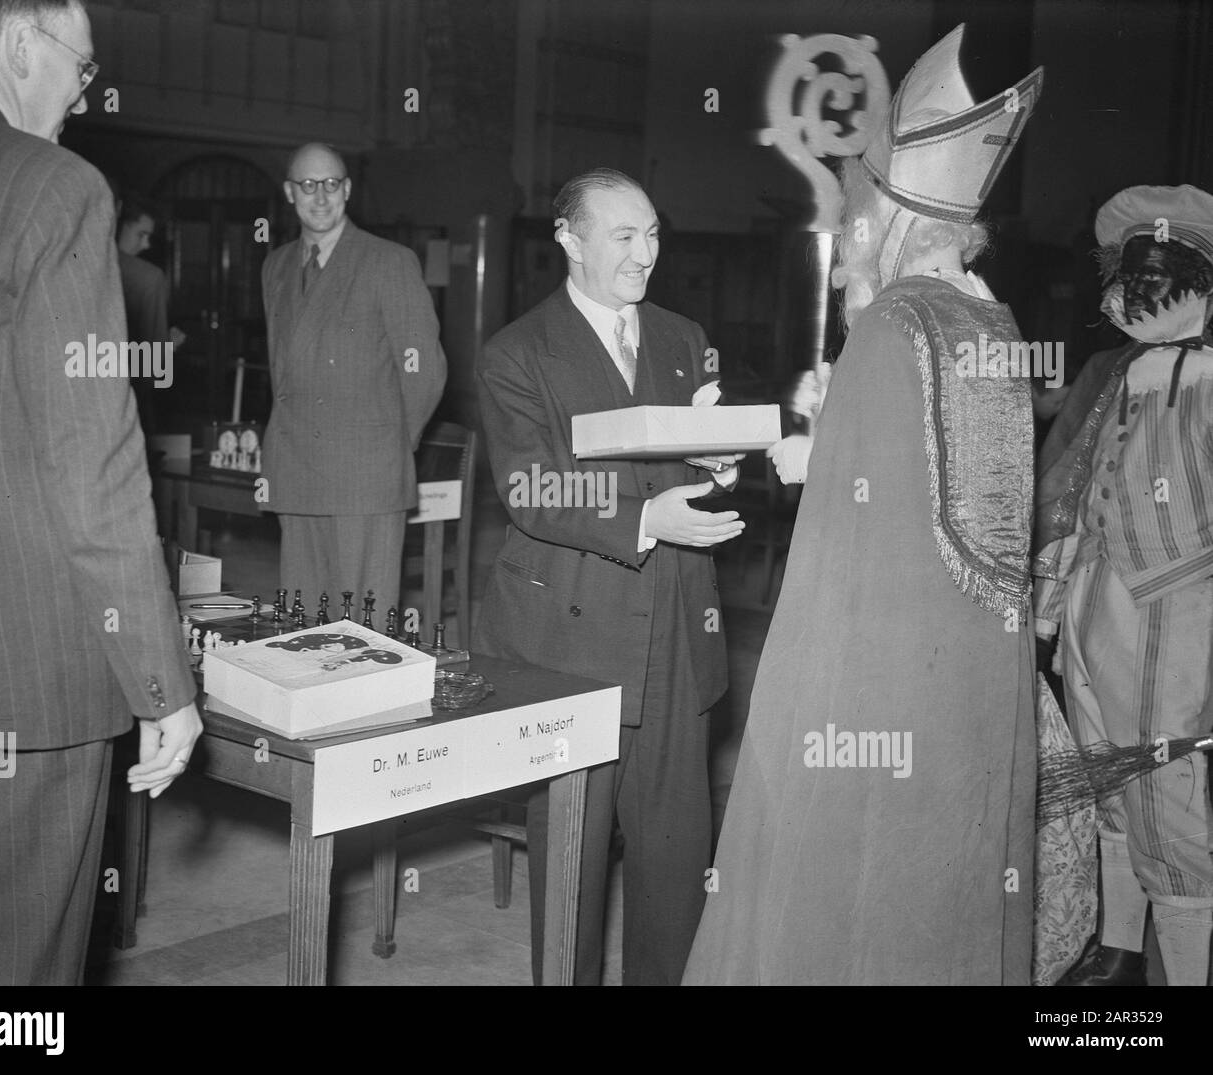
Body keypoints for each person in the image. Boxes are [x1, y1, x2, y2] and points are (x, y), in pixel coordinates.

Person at [683, 25, 1044, 984]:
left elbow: (847, 547)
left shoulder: (893, 324)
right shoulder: (989, 317)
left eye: (858, 223)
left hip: (880, 672)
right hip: (972, 671)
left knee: (847, 891)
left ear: (891, 222)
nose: (851, 249)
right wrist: (817, 445)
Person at [0, 0, 201, 985]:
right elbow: (94, 462)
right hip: (18, 677)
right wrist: (160, 682)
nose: (81, 100)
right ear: (24, 38)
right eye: (82, 72)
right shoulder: (54, 189)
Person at [473, 167, 744, 985]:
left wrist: (720, 460)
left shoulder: (683, 334)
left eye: (654, 233)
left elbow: (700, 470)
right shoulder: (518, 352)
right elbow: (532, 489)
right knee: (574, 861)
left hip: (675, 632)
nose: (645, 253)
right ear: (569, 239)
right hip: (570, 641)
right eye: (623, 235)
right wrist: (641, 519)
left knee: (675, 860)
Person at [1034, 185, 1213, 987]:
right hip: (1091, 611)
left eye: (1158, 276)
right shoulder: (1120, 374)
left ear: (1202, 285)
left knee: (1169, 809)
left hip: (1172, 625)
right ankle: (1118, 949)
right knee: (1106, 784)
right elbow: (1079, 491)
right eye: (1127, 276)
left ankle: (1183, 971)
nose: (1130, 294)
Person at [261, 142, 446, 619]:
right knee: (299, 625)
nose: (319, 197)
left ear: (347, 190)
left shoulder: (389, 260)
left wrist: (388, 446)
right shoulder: (276, 265)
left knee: (362, 632)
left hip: (365, 473)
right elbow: (283, 366)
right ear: (289, 192)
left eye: (330, 184)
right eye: (307, 185)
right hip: (295, 465)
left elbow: (422, 368)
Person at [114, 191, 177, 439]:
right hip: (130, 408)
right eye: (141, 234)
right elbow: (155, 367)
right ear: (119, 223)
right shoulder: (148, 278)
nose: (146, 245)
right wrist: (168, 346)